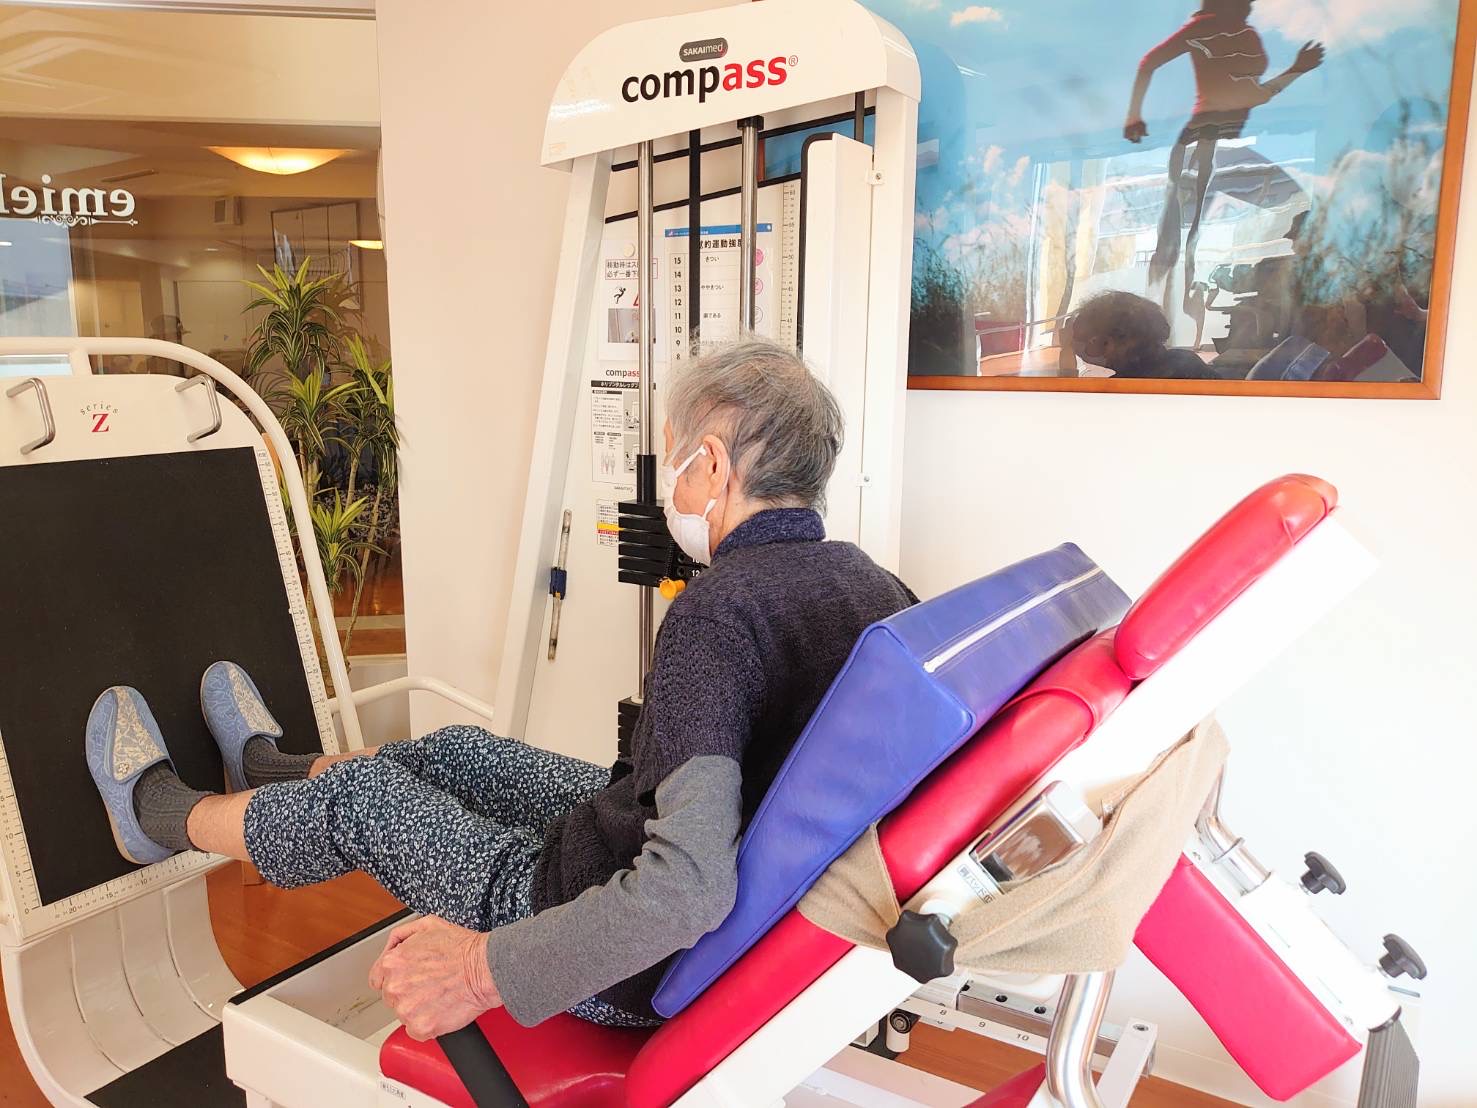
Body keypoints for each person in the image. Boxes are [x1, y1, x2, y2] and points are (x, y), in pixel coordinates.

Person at [82, 338, 917, 1040]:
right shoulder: (875, 588)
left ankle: (158, 818)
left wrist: (482, 970)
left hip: (609, 944)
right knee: (458, 752)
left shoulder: (719, 615)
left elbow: (685, 889)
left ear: (711, 465)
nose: (670, 481)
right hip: (647, 849)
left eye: (673, 457)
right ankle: (268, 772)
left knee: (361, 802)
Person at [1125, 1, 1324, 292]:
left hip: (1220, 139)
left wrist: (1298, 69)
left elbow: (1256, 94)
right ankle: (1158, 297)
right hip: (1201, 137)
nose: (1249, 6)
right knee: (1180, 229)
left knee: (1192, 229)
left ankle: (1172, 296)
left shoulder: (1248, 35)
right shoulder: (1204, 28)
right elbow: (1148, 63)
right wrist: (1133, 116)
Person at [1064, 290, 1217, 379]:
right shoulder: (1186, 360)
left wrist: (1066, 367)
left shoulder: (1123, 386)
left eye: (1091, 342)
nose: (1080, 349)